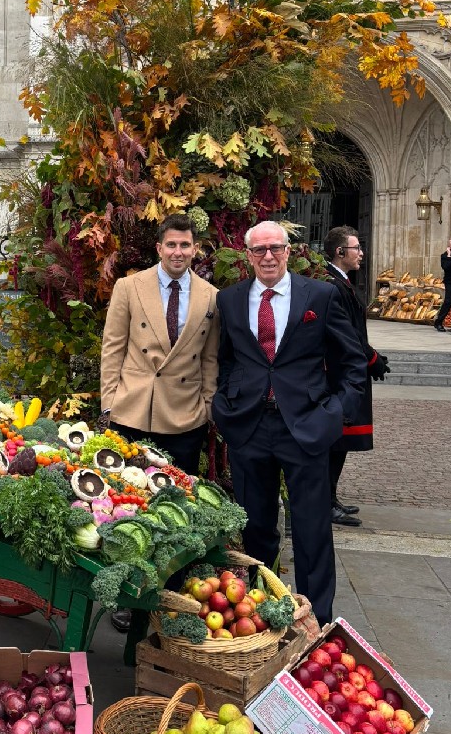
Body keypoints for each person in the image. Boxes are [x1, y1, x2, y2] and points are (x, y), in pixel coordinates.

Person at [212, 221, 366, 626]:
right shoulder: (230, 300)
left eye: (275, 248)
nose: (268, 256)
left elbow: (352, 362)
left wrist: (335, 414)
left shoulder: (320, 295)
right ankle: (259, 615)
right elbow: (226, 359)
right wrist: (225, 404)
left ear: (288, 251)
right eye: (259, 250)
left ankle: (315, 621)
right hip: (249, 428)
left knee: (312, 530)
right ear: (247, 255)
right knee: (256, 530)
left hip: (306, 427)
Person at [99, 213, 220, 631]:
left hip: (184, 415)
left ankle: (166, 591)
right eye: (171, 244)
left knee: (174, 509)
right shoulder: (129, 287)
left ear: (195, 249)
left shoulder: (210, 297)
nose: (178, 252)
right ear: (159, 248)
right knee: (128, 506)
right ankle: (126, 595)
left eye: (185, 245)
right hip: (133, 411)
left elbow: (210, 359)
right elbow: (112, 347)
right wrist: (109, 402)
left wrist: (207, 406)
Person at [322, 226, 391, 528]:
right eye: (356, 248)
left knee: (342, 441)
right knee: (335, 440)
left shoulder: (342, 281)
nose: (361, 253)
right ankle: (324, 503)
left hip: (349, 370)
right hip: (340, 374)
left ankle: (331, 497)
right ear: (340, 252)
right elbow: (347, 334)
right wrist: (372, 359)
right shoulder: (332, 284)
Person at [433, 237, 451, 331]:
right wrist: (449, 255)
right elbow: (446, 267)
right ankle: (438, 322)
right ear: (449, 246)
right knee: (448, 301)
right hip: (450, 282)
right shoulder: (444, 255)